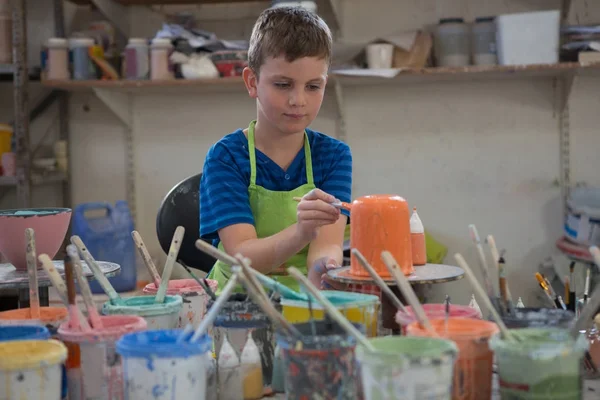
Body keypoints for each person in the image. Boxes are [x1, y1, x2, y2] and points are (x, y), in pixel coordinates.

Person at [200, 6, 352, 294]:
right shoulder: (227, 157)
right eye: (283, 84)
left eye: (313, 86)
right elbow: (241, 257)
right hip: (234, 303)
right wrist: (301, 232)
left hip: (300, 298)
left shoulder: (333, 157)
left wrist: (326, 271)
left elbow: (327, 246)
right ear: (252, 82)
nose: (298, 100)